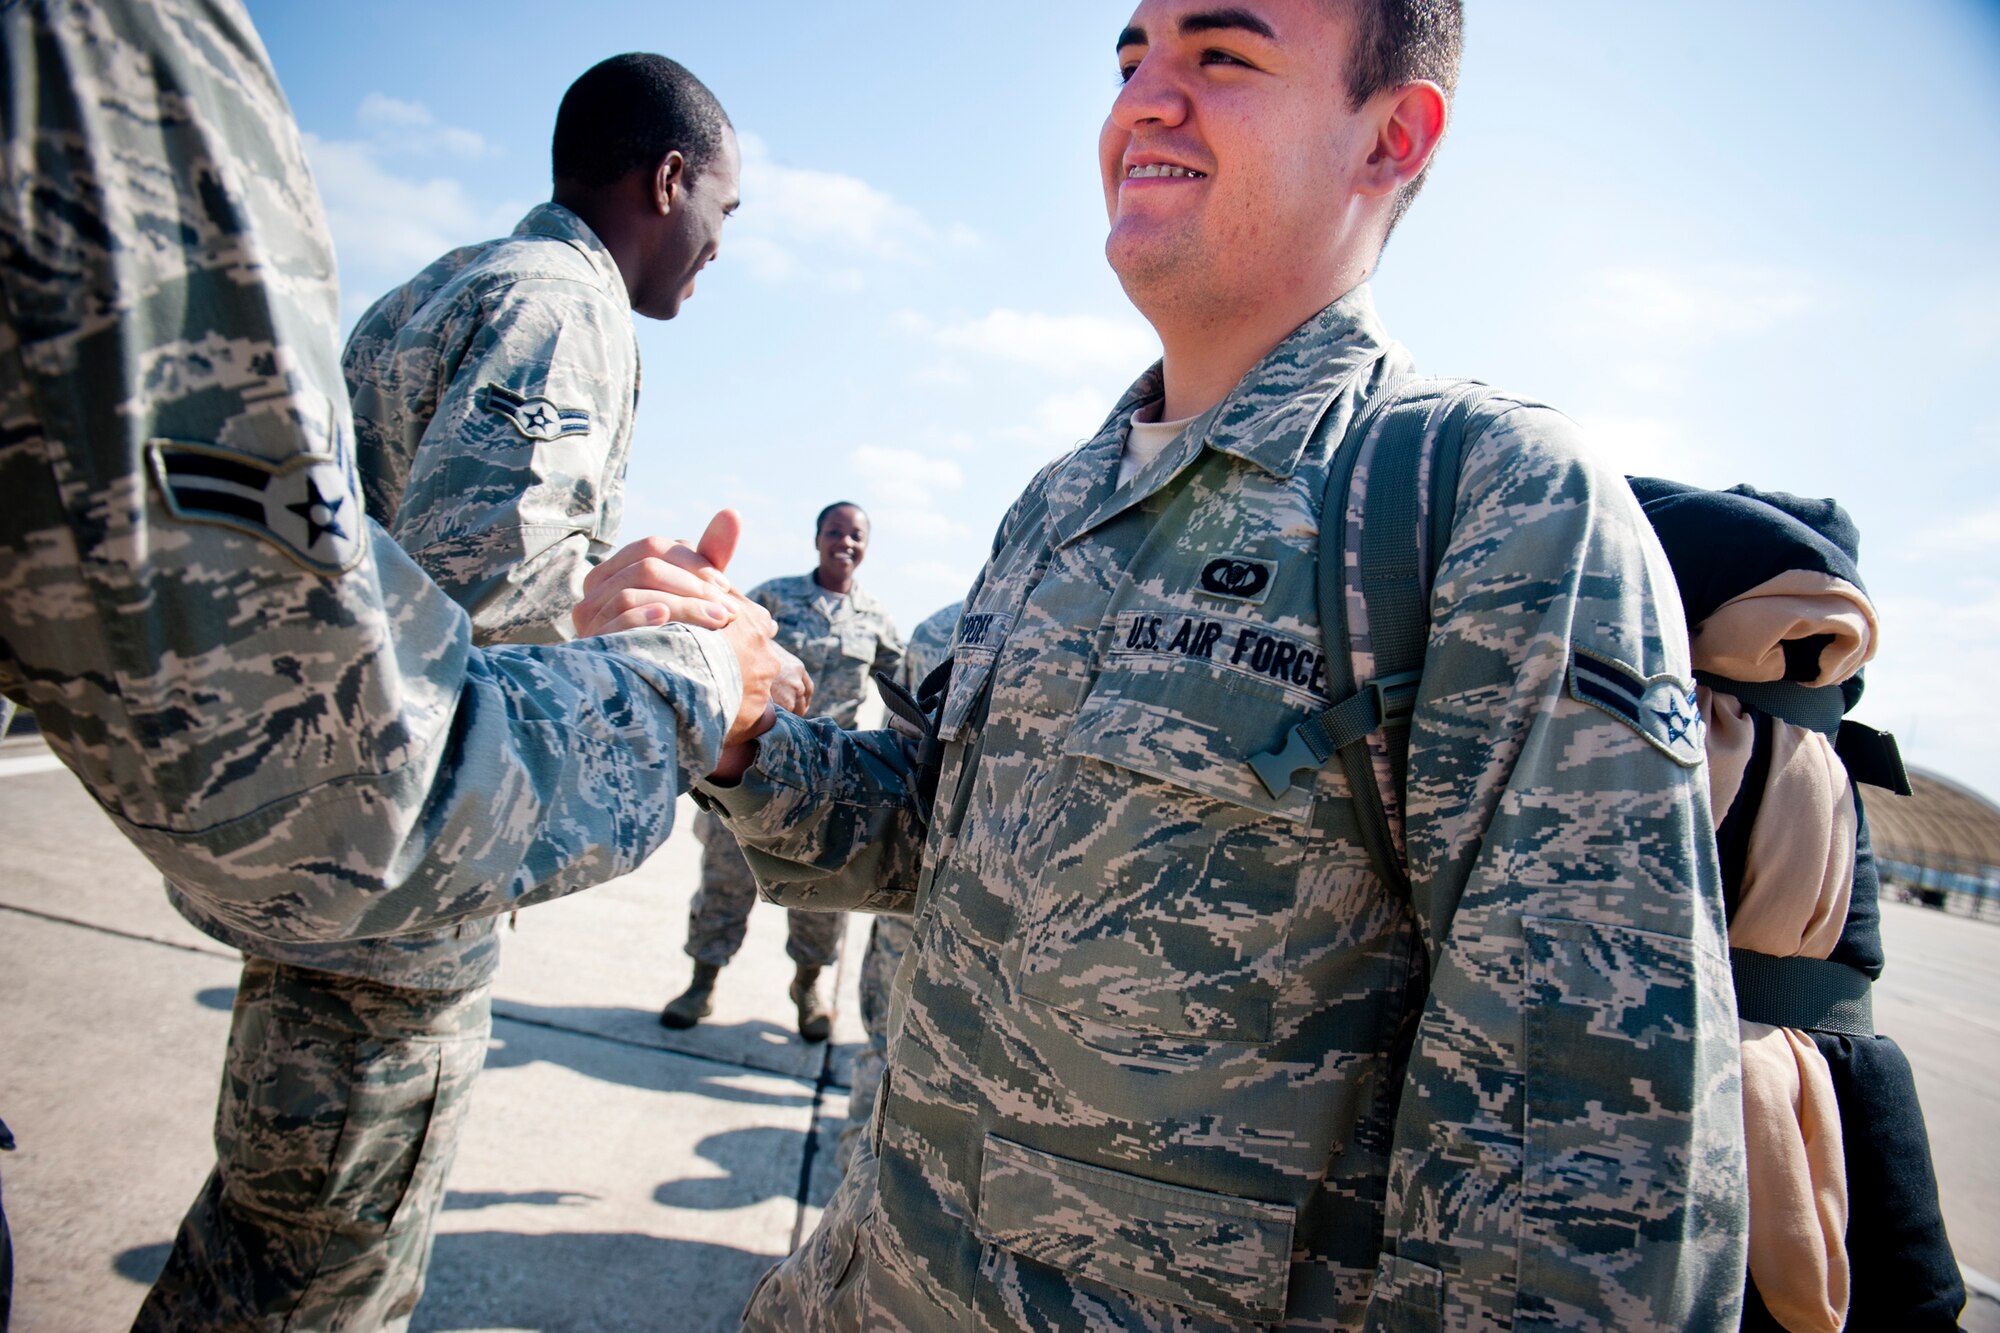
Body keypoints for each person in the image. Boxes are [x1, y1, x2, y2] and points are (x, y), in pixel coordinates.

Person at [692, 1, 1747, 1327]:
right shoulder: (1058, 502)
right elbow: (920, 840)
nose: (1144, 97)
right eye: (1132, 57)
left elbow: (1582, 1191)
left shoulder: (1490, 510)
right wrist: (744, 733)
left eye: (1223, 57)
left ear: (1393, 137)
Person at [0, 1, 799, 1323]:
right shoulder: (560, 308)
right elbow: (483, 618)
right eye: (725, 206)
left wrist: (594, 594)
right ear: (669, 180)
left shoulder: (444, 283)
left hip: (316, 867)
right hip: (395, 912)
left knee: (257, 1249)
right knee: (314, 1284)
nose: (718, 245)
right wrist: (683, 659)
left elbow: (413, 575)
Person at [663, 503, 903, 1041]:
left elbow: (899, 688)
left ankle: (809, 986)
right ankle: (701, 981)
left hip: (828, 780)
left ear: (866, 545)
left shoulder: (877, 620)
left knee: (823, 894)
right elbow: (725, 644)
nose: (844, 542)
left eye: (855, 535)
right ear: (817, 538)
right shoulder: (772, 597)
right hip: (757, 764)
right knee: (725, 882)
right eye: (834, 532)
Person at [837, 598, 961, 1173]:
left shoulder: (942, 625)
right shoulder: (942, 629)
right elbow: (903, 754)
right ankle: (855, 1188)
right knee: (888, 1051)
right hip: (919, 897)